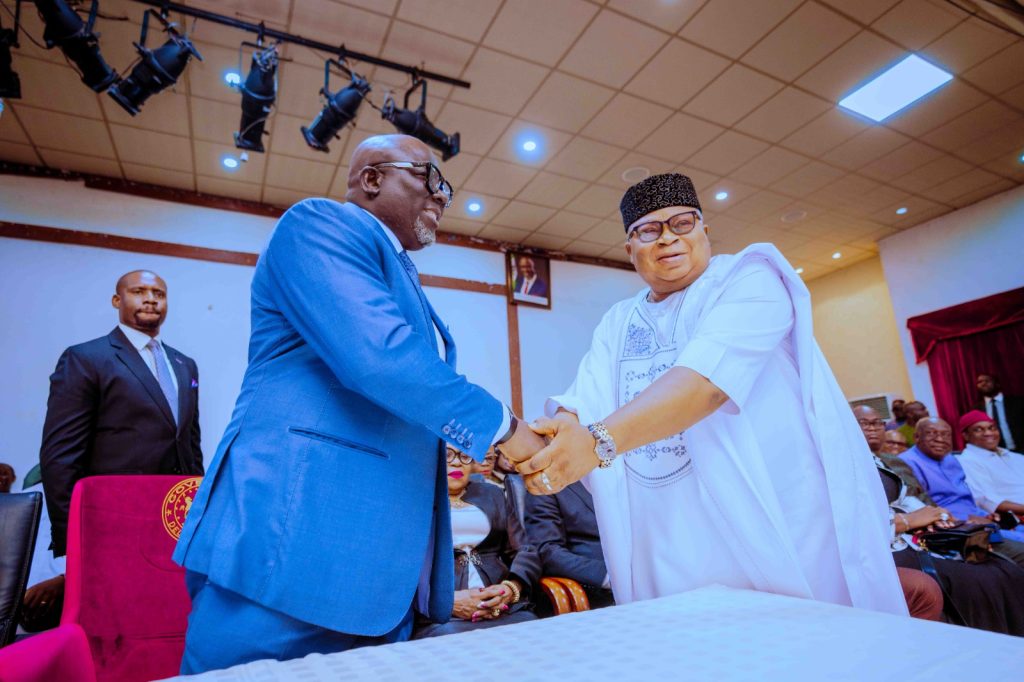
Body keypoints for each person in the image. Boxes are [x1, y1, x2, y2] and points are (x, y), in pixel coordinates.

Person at [173, 134, 545, 674]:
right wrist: (506, 430)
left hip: (375, 577)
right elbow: (380, 358)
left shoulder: (398, 272)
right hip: (295, 544)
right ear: (372, 178)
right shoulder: (319, 226)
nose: (442, 196)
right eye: (429, 178)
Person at [512, 173, 905, 614]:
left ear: (704, 230)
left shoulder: (748, 279)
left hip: (770, 527)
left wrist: (594, 442)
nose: (667, 239)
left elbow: (706, 384)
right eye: (648, 230)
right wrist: (563, 428)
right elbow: (583, 398)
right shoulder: (618, 321)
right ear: (630, 248)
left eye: (682, 223)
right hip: (667, 540)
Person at [39, 270, 203, 558]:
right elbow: (61, 455)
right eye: (139, 292)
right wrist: (71, 537)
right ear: (117, 300)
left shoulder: (184, 364)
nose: (151, 300)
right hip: (112, 520)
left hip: (174, 523)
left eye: (159, 294)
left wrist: (197, 515)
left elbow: (190, 444)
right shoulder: (86, 358)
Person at [413, 446, 538, 637]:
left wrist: (511, 588)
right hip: (444, 616)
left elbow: (524, 550)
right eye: (447, 455)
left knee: (530, 626)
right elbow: (405, 566)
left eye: (465, 456)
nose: (456, 462)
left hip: (502, 606)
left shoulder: (493, 494)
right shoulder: (416, 500)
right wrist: (445, 602)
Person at [900, 418, 1024, 567]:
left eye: (946, 434)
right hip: (959, 531)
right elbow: (918, 506)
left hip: (983, 521)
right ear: (917, 437)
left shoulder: (951, 459)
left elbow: (968, 497)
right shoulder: (906, 462)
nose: (940, 439)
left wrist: (985, 515)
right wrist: (961, 521)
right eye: (931, 434)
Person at [523, 481, 614, 610]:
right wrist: (607, 576)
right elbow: (548, 551)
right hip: (592, 587)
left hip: (643, 573)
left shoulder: (623, 476)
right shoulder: (545, 485)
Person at [853, 406, 933, 505]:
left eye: (877, 423)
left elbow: (921, 495)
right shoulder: (851, 466)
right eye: (864, 423)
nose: (872, 428)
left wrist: (939, 515)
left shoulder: (895, 461)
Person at [958, 410, 1024, 519]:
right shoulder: (967, 461)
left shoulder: (1016, 457)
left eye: (992, 428)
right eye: (978, 429)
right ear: (966, 435)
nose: (988, 433)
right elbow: (986, 500)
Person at [974, 373, 1023, 451]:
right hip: (993, 453)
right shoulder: (976, 409)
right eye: (980, 382)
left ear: (997, 384)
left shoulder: (1018, 402)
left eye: (987, 381)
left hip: (1019, 450)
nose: (983, 384)